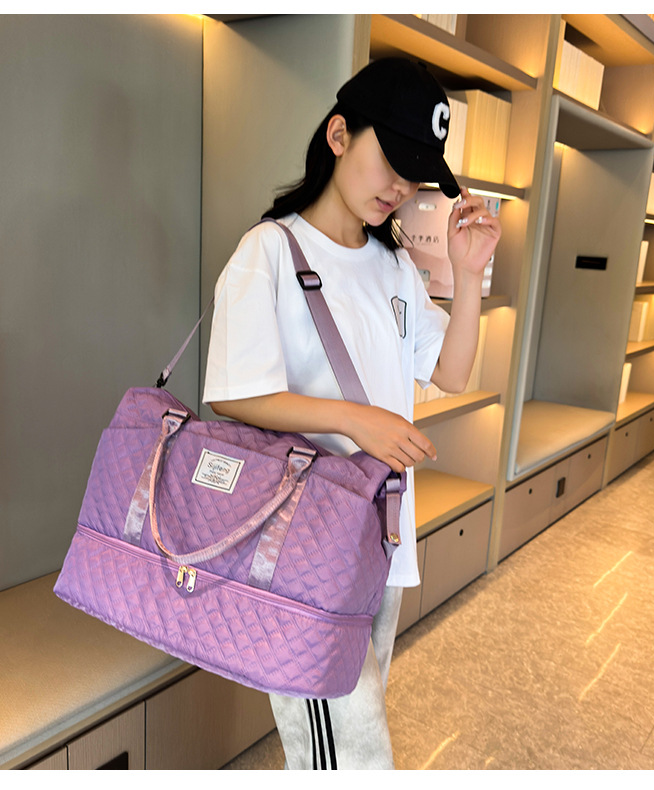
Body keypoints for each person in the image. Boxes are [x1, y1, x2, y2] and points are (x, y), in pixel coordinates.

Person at [203, 57, 501, 770]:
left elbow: (450, 371)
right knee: (352, 756)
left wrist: (467, 275)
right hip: (302, 548)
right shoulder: (269, 252)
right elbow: (231, 392)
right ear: (339, 135)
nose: (401, 187)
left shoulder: (393, 264)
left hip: (381, 535)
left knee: (334, 752)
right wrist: (356, 422)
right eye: (391, 161)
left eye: (415, 175)